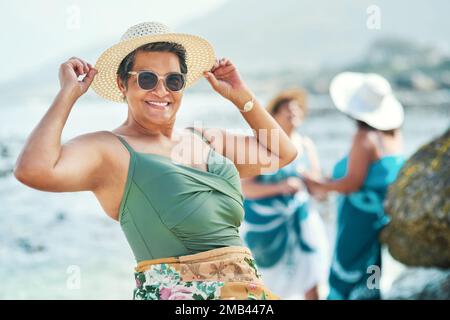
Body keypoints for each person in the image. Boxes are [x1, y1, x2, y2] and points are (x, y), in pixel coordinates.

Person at [13, 22, 299, 300]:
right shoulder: (110, 151)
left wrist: (242, 97)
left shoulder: (204, 139)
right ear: (122, 83)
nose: (161, 90)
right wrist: (67, 94)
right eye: (147, 79)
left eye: (173, 80)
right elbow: (33, 169)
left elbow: (281, 152)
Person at [303, 72, 406, 300]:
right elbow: (374, 176)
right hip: (379, 217)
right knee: (370, 271)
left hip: (358, 217)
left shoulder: (364, 137)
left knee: (346, 271)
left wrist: (316, 184)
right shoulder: (394, 135)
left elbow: (352, 183)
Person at [241, 89, 329, 299]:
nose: (294, 113)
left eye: (297, 109)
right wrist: (281, 187)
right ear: (274, 115)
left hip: (303, 222)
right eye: (288, 109)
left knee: (312, 276)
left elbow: (316, 188)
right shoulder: (263, 145)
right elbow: (246, 189)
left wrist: (324, 185)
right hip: (267, 227)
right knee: (267, 285)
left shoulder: (307, 145)